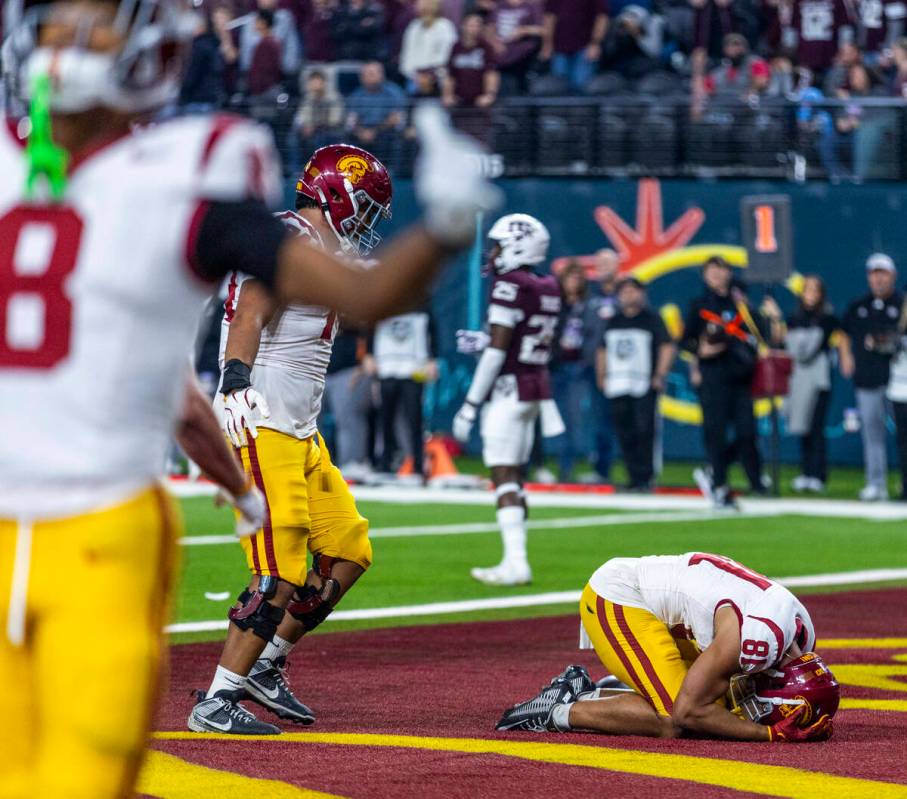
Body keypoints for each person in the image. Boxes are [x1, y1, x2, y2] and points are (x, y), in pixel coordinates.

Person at [0, 1, 500, 792]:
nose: (75, 44)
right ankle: (226, 689)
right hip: (118, 505)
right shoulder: (190, 168)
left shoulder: (177, 177)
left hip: (117, 500)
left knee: (345, 548)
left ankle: (260, 666)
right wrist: (443, 228)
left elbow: (333, 305)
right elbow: (274, 308)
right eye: (66, 27)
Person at [191, 146, 396, 735]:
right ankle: (216, 699)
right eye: (366, 208)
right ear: (337, 194)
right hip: (263, 415)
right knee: (277, 573)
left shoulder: (321, 245)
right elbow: (251, 308)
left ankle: (266, 665)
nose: (367, 223)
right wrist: (234, 380)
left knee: (349, 550)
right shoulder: (288, 236)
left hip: (300, 426)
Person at [496, 552, 838, 743]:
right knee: (676, 720)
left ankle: (586, 693)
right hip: (618, 597)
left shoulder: (799, 635)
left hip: (656, 603)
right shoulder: (754, 640)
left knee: (717, 701)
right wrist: (768, 733)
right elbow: (687, 712)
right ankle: (555, 712)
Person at [452, 214, 564, 586]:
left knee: (502, 473)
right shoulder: (547, 285)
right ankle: (515, 558)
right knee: (514, 474)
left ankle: (516, 563)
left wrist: (470, 404)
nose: (494, 252)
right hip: (536, 385)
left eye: (499, 244)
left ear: (517, 245)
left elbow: (498, 352)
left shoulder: (508, 285)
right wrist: (485, 341)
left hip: (509, 389)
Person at [682, 256, 765, 509]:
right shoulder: (699, 305)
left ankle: (754, 480)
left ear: (729, 273)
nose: (716, 275)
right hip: (713, 374)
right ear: (705, 275)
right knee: (714, 432)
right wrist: (700, 352)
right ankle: (718, 482)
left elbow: (760, 334)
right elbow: (686, 341)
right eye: (711, 271)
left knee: (746, 432)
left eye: (721, 270)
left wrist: (759, 313)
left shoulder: (742, 303)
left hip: (741, 375)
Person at [764, 276, 853, 493]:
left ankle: (818, 475)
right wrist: (775, 318)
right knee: (802, 426)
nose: (811, 294)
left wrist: (845, 358)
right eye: (807, 290)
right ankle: (806, 473)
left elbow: (841, 338)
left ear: (821, 294)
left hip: (818, 378)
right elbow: (780, 341)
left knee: (816, 427)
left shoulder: (828, 318)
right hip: (798, 378)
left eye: (815, 290)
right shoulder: (794, 318)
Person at [597, 277, 675, 491]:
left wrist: (660, 374)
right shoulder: (613, 320)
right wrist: (601, 376)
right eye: (624, 291)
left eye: (633, 291)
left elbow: (667, 346)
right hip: (617, 384)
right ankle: (633, 477)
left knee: (645, 430)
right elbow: (602, 349)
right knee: (624, 431)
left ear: (642, 293)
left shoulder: (651, 319)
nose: (629, 295)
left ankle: (645, 476)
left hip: (643, 383)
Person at [842, 253, 904, 501]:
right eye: (874, 273)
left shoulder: (903, 304)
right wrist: (846, 356)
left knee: (905, 435)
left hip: (900, 379)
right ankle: (876, 483)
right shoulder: (858, 306)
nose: (878, 278)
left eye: (883, 273)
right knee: (872, 433)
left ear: (893, 275)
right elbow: (844, 333)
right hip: (868, 378)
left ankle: (905, 483)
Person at [371, 308, 439, 478]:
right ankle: (385, 464)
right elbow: (370, 329)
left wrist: (432, 359)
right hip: (387, 370)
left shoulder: (421, 305)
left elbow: (433, 333)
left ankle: (418, 467)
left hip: (414, 370)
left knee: (415, 421)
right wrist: (369, 356)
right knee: (385, 420)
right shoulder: (384, 302)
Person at [550, 262, 593, 483]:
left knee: (572, 420)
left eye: (578, 277)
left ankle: (566, 469)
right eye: (570, 277)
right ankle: (533, 465)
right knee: (542, 418)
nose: (574, 282)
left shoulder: (588, 305)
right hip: (554, 366)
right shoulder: (553, 304)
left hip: (578, 367)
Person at [584, 248, 620, 483]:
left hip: (622, 368)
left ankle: (638, 469)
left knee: (623, 420)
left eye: (607, 262)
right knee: (599, 420)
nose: (603, 267)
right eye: (599, 263)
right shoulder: (590, 296)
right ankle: (601, 469)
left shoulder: (627, 293)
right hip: (591, 367)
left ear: (617, 266)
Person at [346, 61, 407, 168]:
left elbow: (396, 118)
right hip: (362, 131)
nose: (372, 77)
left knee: (393, 139)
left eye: (375, 73)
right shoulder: (356, 95)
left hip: (385, 130)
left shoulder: (394, 92)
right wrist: (361, 132)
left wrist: (375, 131)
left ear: (382, 75)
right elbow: (351, 120)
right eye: (368, 74)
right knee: (345, 139)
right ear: (362, 77)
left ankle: (389, 174)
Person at [540, 0, 608, 92]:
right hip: (559, 49)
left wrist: (595, 43)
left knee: (580, 85)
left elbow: (601, 18)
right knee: (557, 87)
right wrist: (547, 44)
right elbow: (549, 18)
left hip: (584, 48)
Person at [399, 0, 458, 87]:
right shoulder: (414, 27)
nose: (424, 8)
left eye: (427, 5)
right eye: (421, 5)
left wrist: (431, 74)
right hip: (414, 79)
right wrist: (415, 75)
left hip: (438, 79)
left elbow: (449, 54)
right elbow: (407, 55)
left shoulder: (445, 27)